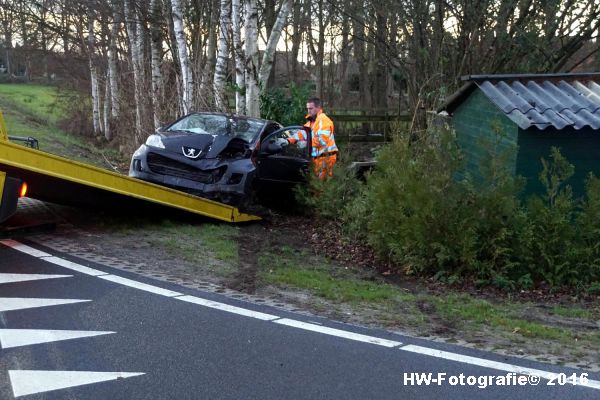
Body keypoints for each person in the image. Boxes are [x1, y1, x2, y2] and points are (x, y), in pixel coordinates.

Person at [288, 97, 338, 180]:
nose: (308, 111)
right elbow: (301, 134)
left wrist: (307, 144)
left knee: (321, 187)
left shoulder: (323, 120)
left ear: (318, 108)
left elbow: (322, 141)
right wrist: (287, 140)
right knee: (316, 187)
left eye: (311, 108)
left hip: (326, 158)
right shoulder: (311, 122)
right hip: (318, 159)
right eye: (307, 108)